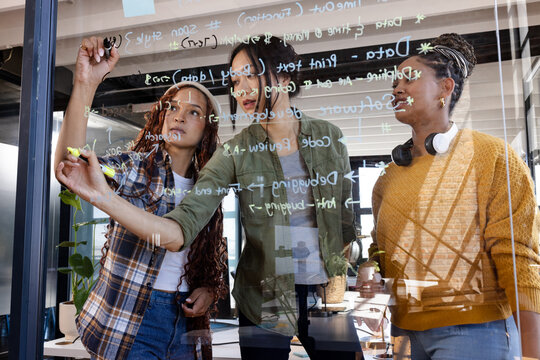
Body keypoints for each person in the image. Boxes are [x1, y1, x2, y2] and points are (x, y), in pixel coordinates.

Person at [56, 36, 360, 360]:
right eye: (235, 80)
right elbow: (179, 230)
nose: (240, 87)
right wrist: (86, 86)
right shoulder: (233, 154)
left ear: (284, 76)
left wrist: (350, 264)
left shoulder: (330, 138)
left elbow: (342, 224)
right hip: (263, 300)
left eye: (250, 74)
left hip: (326, 296)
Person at [367, 33, 540, 359]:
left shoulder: (490, 156)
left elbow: (517, 255)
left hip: (474, 330)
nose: (397, 89)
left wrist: (533, 350)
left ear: (445, 89)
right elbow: (380, 254)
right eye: (394, 83)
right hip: (403, 333)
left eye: (409, 79)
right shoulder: (388, 178)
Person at [54, 37, 227, 360]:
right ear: (160, 117)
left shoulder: (209, 188)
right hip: (132, 318)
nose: (179, 116)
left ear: (207, 131)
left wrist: (207, 289)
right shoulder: (136, 167)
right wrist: (85, 84)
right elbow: (70, 164)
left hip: (185, 322)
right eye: (172, 108)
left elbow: (208, 255)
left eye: (193, 112)